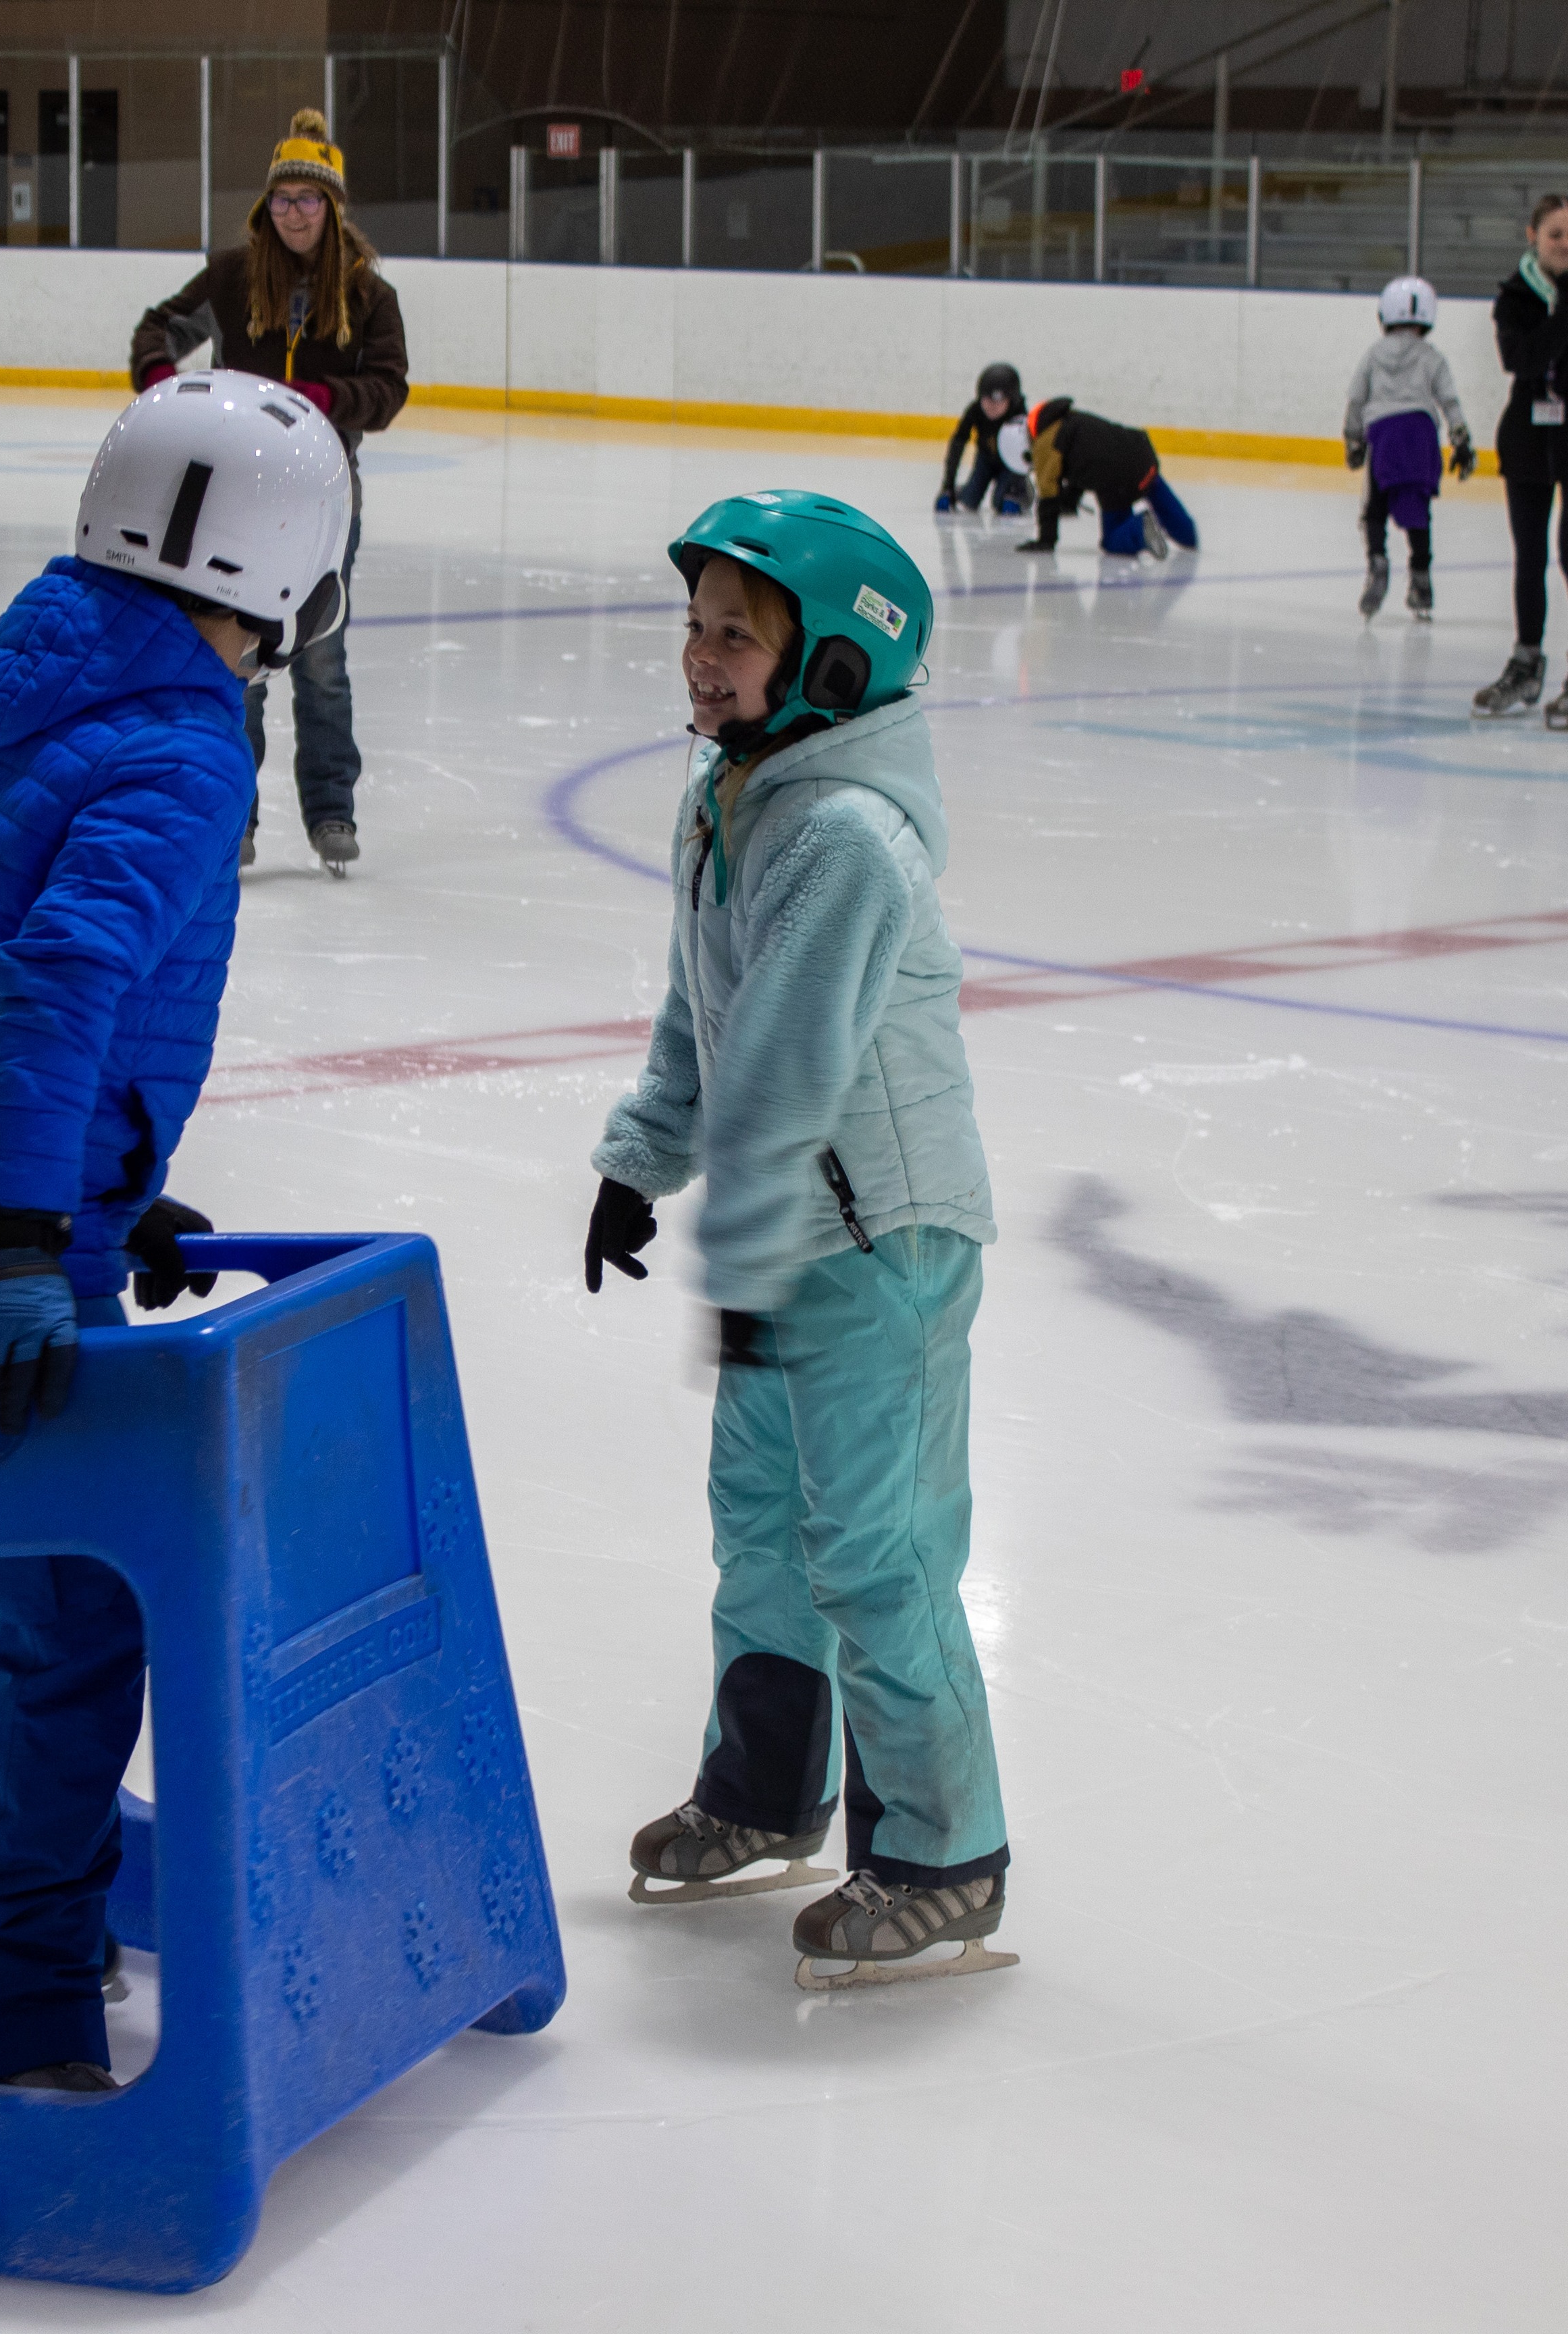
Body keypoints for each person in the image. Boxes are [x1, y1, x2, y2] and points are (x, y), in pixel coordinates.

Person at [0, 372, 353, 2090]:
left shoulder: (64, 673)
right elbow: (53, 981)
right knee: (67, 1607)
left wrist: (91, 1189)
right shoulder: (186, 743)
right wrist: (15, 1230)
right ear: (292, 572)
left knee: (8, 1545)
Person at [583, 489, 1013, 1986]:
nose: (701, 658)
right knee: (762, 1534)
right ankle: (766, 1793)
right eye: (696, 625)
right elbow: (705, 1009)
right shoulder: (739, 797)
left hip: (880, 1242)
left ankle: (943, 1852)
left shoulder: (844, 835)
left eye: (737, 635)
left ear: (831, 664)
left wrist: (741, 1249)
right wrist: (640, 1161)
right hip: (791, 1236)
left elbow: (781, 1067)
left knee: (875, 1553)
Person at [129, 108, 409, 877]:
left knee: (321, 657)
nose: (294, 212)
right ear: (267, 207)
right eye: (283, 199)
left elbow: (389, 389)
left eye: (309, 200)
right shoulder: (229, 277)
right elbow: (158, 331)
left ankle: (331, 811)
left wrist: (327, 398)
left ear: (333, 208)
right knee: (233, 656)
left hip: (324, 495)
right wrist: (163, 385)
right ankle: (233, 814)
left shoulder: (366, 295)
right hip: (237, 497)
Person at [1476, 192, 1568, 721]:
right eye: (1554, 234)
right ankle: (1526, 663)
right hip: (1529, 438)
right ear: (1533, 238)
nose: (1563, 245)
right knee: (1529, 557)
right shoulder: (1515, 297)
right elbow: (1522, 358)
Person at [1344, 276, 1475, 624]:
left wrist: (1353, 439)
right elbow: (1449, 399)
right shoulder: (1431, 356)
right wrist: (1461, 438)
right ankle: (1420, 578)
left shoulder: (1373, 354)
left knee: (1374, 509)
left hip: (1384, 434)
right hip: (1420, 434)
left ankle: (1378, 560)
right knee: (1418, 509)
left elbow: (1357, 397)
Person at [1015, 397, 1198, 559]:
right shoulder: (1072, 420)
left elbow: (1048, 492)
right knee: (1153, 488)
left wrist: (1046, 540)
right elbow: (1082, 462)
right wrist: (1070, 500)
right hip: (1143, 456)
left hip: (1116, 482)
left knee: (1111, 540)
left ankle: (1139, 530)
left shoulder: (1044, 445)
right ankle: (1188, 535)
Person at [935, 362, 1028, 517]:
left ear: (1012, 399)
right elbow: (958, 443)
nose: (991, 406)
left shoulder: (1020, 416)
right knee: (969, 500)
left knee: (1000, 503)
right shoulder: (975, 410)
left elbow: (1025, 456)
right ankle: (965, 490)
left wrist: (1016, 491)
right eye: (986, 399)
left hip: (1010, 465)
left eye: (998, 401)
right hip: (985, 459)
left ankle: (1025, 491)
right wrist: (948, 486)